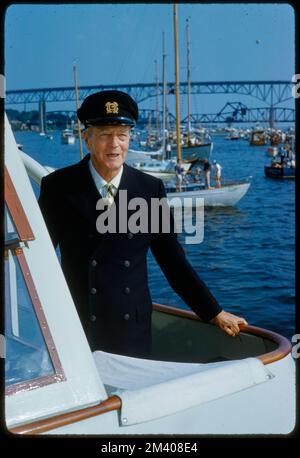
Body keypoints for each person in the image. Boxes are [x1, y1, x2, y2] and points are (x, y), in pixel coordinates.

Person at [39, 90, 247, 359]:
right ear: (87, 138)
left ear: (130, 138)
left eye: (122, 135)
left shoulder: (149, 189)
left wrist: (213, 311)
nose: (114, 145)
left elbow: (173, 261)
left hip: (131, 329)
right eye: (104, 135)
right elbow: (41, 258)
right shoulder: (59, 187)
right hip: (78, 324)